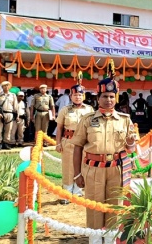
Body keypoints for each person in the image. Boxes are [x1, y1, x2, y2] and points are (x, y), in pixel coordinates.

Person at [70, 63, 137, 244]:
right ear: (98, 98)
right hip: (93, 170)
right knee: (94, 208)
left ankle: (110, 241)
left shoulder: (125, 120)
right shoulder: (88, 120)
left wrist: (131, 144)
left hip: (116, 170)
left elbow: (130, 149)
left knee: (114, 207)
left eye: (111, 96)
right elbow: (77, 147)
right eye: (104, 96)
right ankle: (95, 241)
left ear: (115, 98)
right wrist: (77, 174)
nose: (108, 100)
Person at [55, 74, 94, 204]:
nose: (78, 97)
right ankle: (66, 194)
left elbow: (93, 128)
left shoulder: (89, 109)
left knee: (82, 167)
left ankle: (77, 192)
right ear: (71, 96)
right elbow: (59, 127)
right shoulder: (65, 110)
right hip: (68, 141)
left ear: (83, 96)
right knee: (68, 167)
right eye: (75, 95)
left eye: (80, 95)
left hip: (83, 143)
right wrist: (58, 143)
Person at [0, 81, 19, 150]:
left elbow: (16, 107)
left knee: (8, 129)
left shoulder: (13, 95)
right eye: (4, 86)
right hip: (0, 114)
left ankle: (6, 143)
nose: (6, 87)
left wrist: (17, 116)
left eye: (8, 85)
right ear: (2, 87)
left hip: (9, 114)